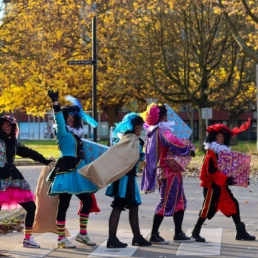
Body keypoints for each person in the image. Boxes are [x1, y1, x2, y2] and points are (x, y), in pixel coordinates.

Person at [47, 90, 100, 248]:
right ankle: (61, 238)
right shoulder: (62, 132)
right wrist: (56, 104)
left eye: (72, 116)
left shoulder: (77, 135)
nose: (70, 118)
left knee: (88, 200)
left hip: (79, 168)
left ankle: (82, 235)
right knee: (64, 203)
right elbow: (58, 119)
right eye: (68, 116)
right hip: (66, 169)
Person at [190, 121, 256, 242]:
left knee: (233, 205)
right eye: (217, 137)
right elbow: (210, 171)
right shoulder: (211, 153)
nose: (220, 139)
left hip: (221, 186)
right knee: (207, 209)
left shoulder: (224, 152)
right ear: (213, 138)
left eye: (222, 137)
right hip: (211, 186)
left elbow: (230, 169)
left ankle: (240, 232)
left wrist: (240, 178)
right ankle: (195, 232)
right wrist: (226, 179)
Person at [141, 103, 195, 244]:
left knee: (180, 201)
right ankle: (154, 234)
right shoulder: (163, 131)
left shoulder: (152, 132)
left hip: (170, 171)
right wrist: (188, 150)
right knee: (165, 202)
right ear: (163, 117)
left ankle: (178, 233)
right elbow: (174, 142)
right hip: (168, 171)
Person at [0, 115, 53, 248]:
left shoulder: (13, 141)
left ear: (13, 128)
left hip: (13, 179)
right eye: (4, 124)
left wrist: (45, 160)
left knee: (31, 207)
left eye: (10, 125)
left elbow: (28, 152)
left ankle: (28, 239)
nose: (7, 126)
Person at [105, 113, 152, 248]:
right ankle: (112, 239)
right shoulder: (130, 140)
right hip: (125, 179)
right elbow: (129, 158)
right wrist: (143, 156)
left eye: (140, 127)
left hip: (127, 177)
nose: (140, 129)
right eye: (137, 126)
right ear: (132, 126)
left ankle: (136, 237)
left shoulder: (126, 138)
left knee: (133, 206)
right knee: (119, 206)